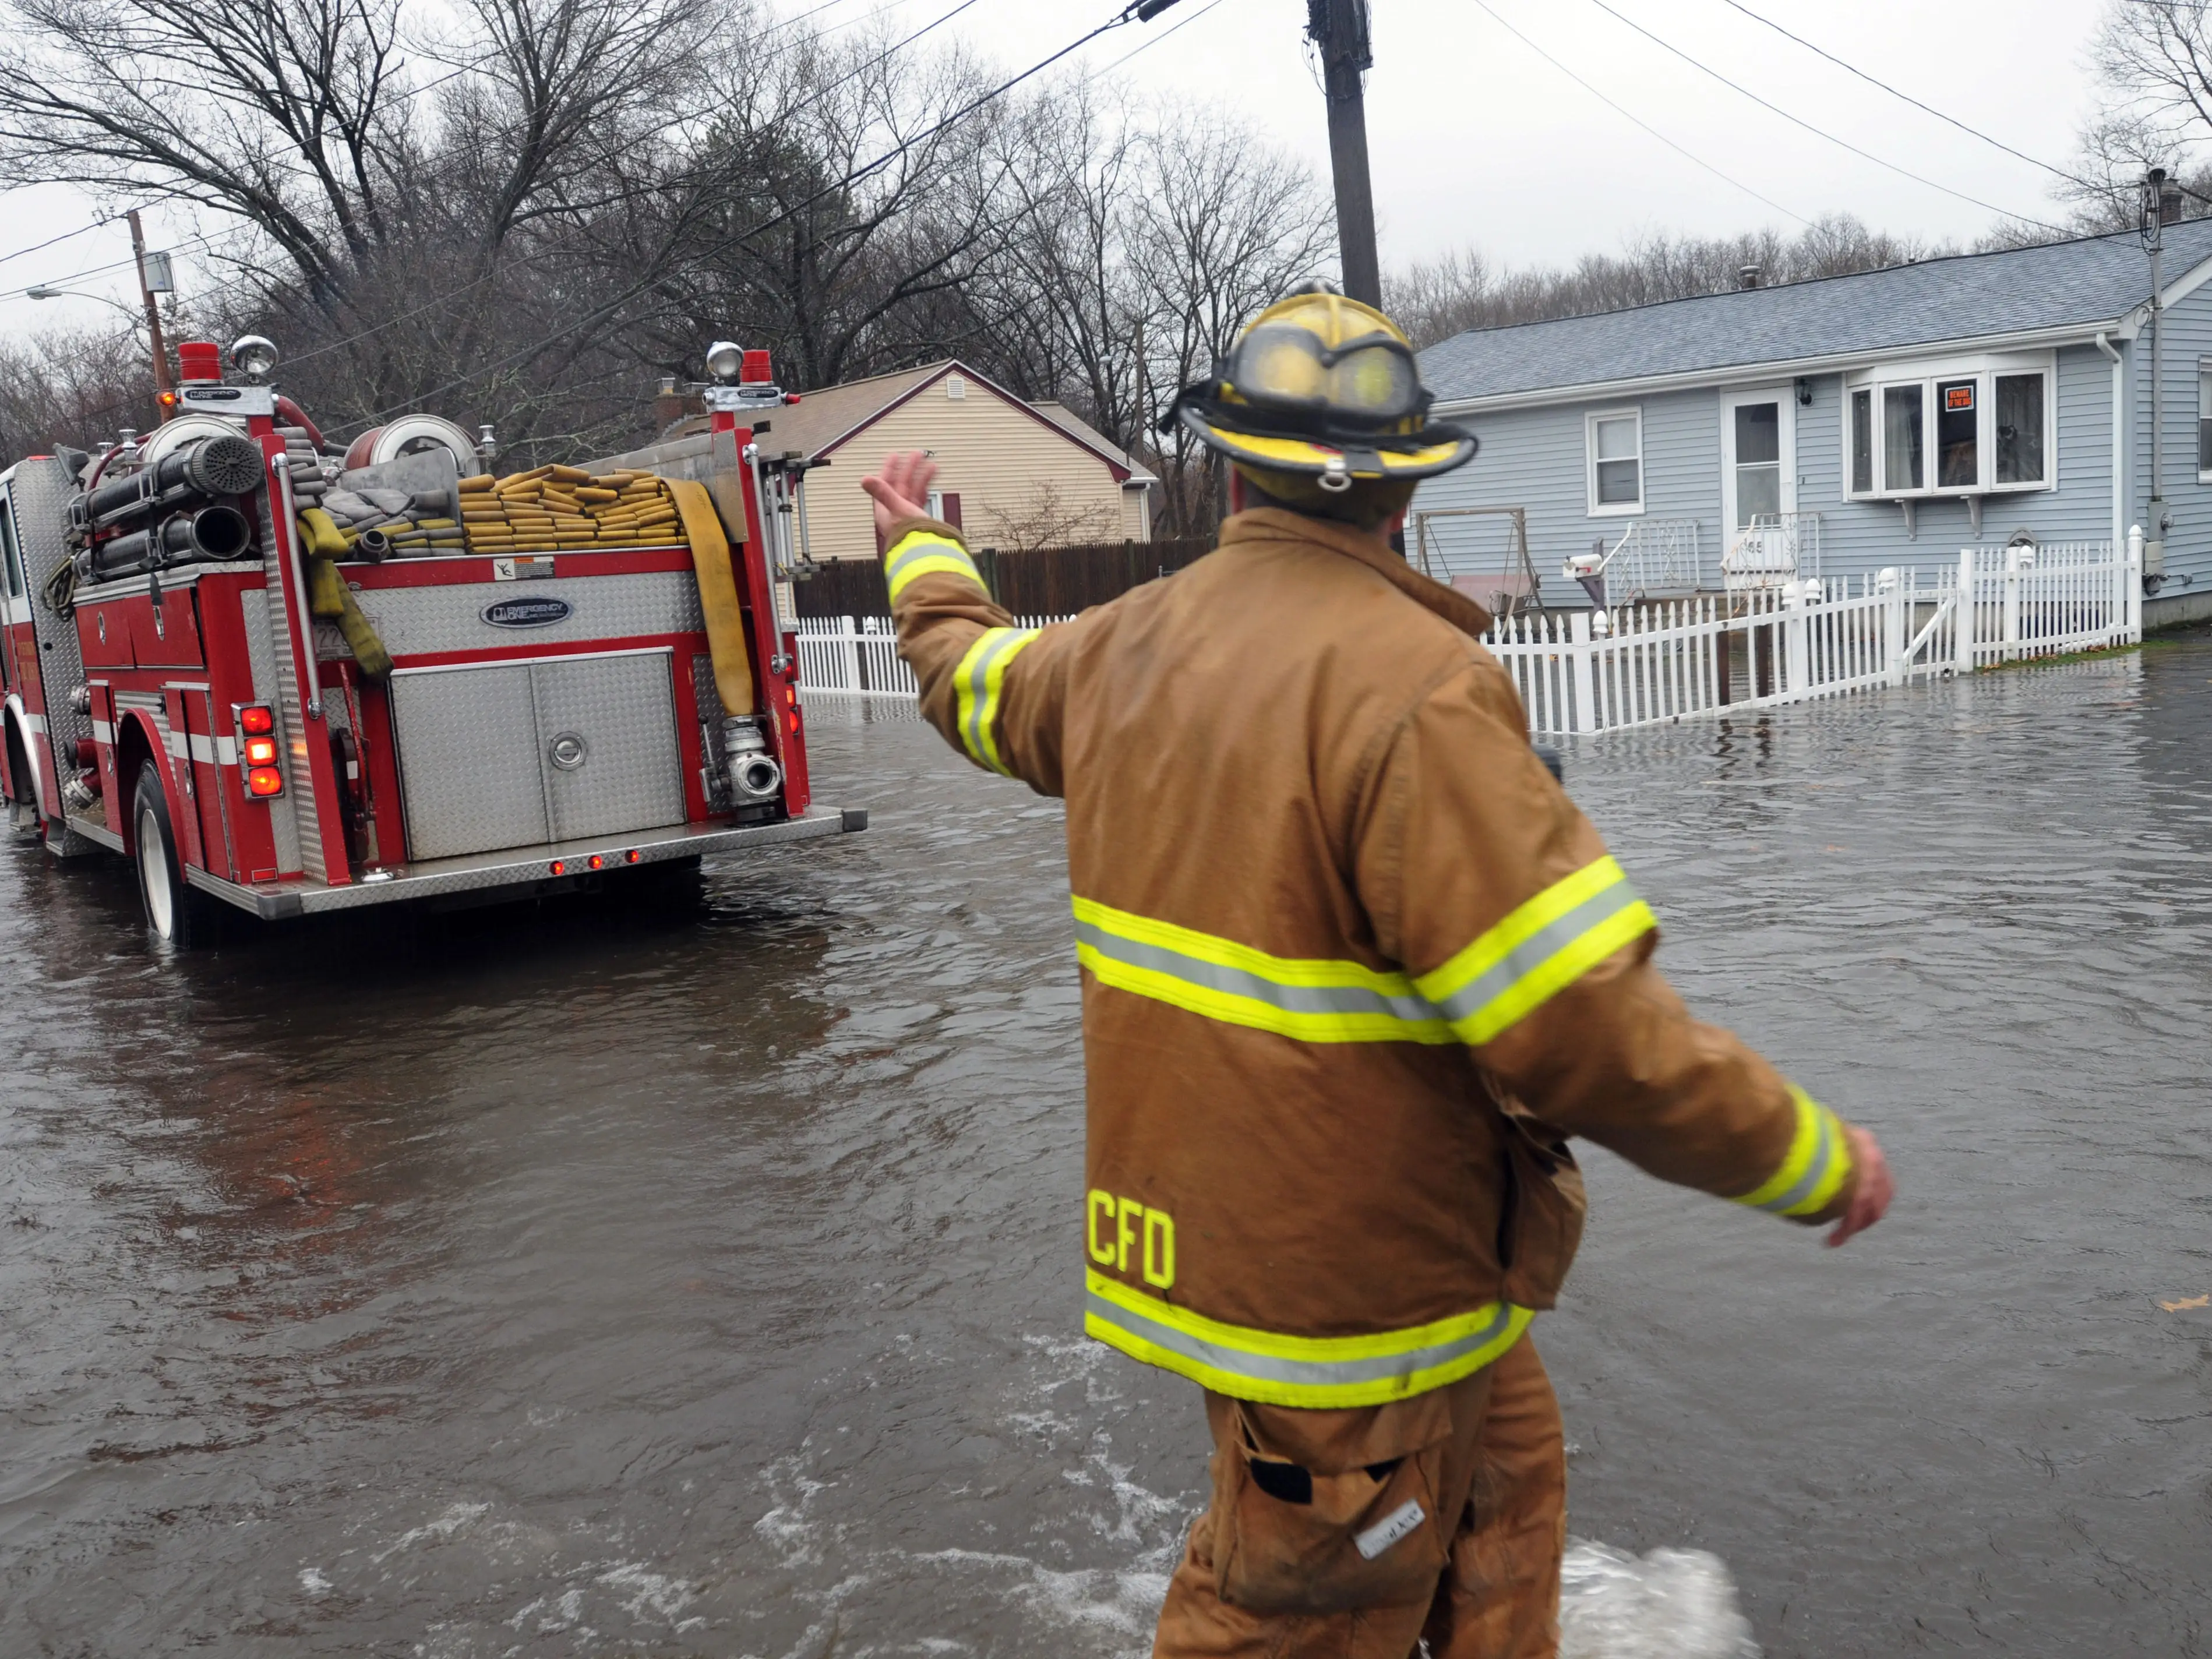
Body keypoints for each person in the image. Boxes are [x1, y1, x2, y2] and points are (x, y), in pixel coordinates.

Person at [860, 287, 1893, 1659]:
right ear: (1401, 493)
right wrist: (1804, 1154)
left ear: (1228, 472)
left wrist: (920, 546)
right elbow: (1581, 1026)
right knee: (1280, 1614)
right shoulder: (1420, 691)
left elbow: (966, 678)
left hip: (1301, 1266)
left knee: (1507, 1495)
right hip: (1350, 1313)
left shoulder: (1114, 649)